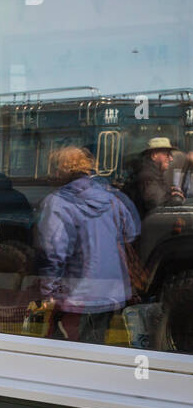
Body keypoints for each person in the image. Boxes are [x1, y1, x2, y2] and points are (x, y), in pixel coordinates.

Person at [34, 146, 140, 344]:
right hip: (112, 291)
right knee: (96, 346)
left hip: (75, 296)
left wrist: (48, 293)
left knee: (68, 353)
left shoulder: (56, 202)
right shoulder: (112, 198)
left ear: (61, 170)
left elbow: (53, 252)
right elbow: (131, 233)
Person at [129, 137, 184, 217]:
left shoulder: (154, 174)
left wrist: (172, 193)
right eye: (167, 154)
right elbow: (159, 205)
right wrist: (176, 197)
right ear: (154, 155)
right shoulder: (147, 177)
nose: (171, 159)